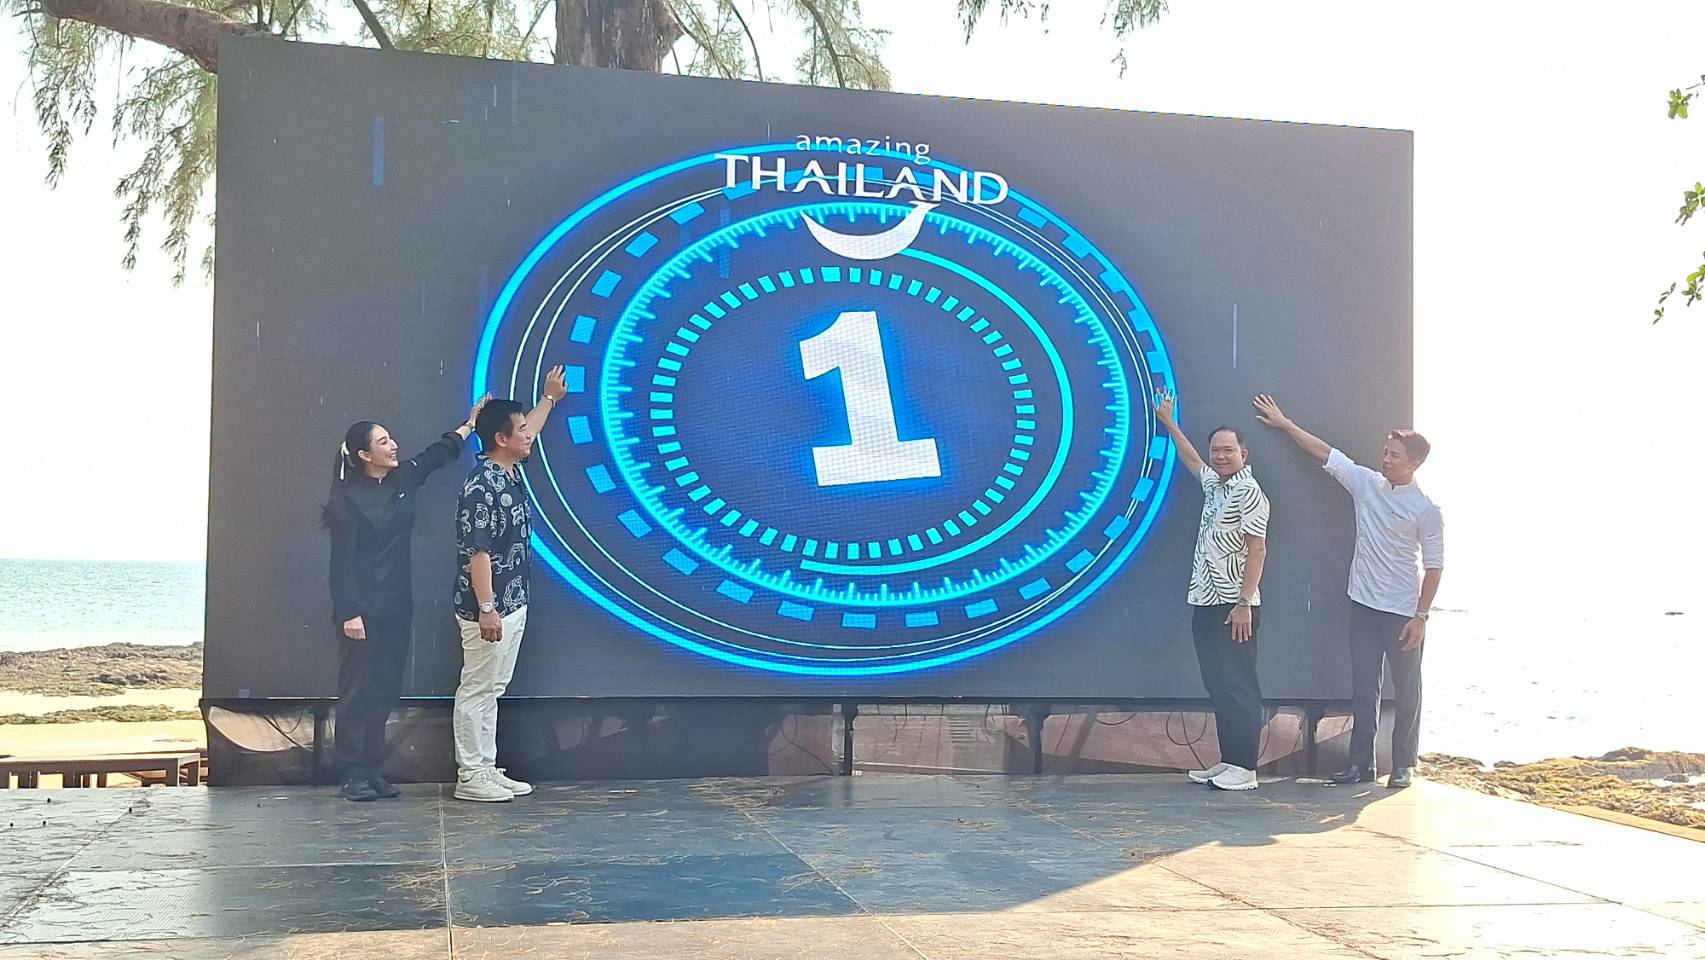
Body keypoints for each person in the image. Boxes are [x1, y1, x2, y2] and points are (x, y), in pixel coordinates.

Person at [1253, 394, 1444, 789]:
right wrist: (1285, 424)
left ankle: (1404, 764)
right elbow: (1326, 454)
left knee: (1407, 689)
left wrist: (1421, 616)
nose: (1385, 459)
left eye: (1394, 455)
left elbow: (1434, 566)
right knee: (1363, 688)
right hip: (1363, 606)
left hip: (1402, 612)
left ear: (1413, 463)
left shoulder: (1426, 510)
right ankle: (1361, 765)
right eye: (1385, 452)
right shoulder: (1366, 484)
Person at [323, 395, 489, 802]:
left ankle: (373, 769)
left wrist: (469, 424)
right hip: (361, 611)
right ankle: (352, 773)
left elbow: (438, 454)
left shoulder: (403, 479)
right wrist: (349, 612)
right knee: (358, 690)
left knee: (385, 688)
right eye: (383, 442)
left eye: (390, 438)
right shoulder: (346, 500)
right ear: (365, 455)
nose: (393, 445)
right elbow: (340, 563)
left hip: (396, 605)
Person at [451, 366, 567, 803]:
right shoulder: (481, 485)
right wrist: (487, 608)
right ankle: (470, 774)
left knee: (493, 688)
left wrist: (548, 399)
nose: (528, 435)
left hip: (513, 600)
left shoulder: (509, 470)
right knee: (478, 687)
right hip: (490, 607)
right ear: (501, 439)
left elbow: (529, 427)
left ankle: (486, 766)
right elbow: (477, 552)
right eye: (520, 431)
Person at [1154, 389, 1272, 791]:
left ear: (1244, 454)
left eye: (1228, 450)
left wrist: (1243, 603)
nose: (1221, 456)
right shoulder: (1216, 487)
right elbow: (1191, 460)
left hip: (1234, 606)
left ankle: (1246, 769)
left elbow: (1258, 550)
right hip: (1205, 600)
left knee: (1239, 684)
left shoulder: (1249, 492)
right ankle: (1230, 760)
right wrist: (1168, 421)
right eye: (1216, 450)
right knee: (1218, 683)